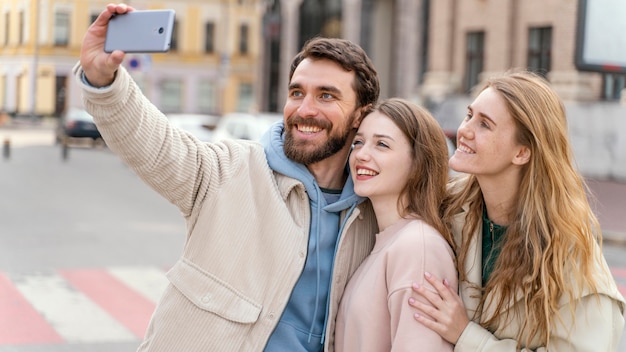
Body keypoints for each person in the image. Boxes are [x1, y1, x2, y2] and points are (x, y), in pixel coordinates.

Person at [75, 4, 381, 351]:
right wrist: (104, 82)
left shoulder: (375, 210)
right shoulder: (230, 169)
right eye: (297, 93)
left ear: (360, 115)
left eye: (326, 95)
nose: (304, 109)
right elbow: (155, 145)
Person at [408, 70, 626, 351]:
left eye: (485, 125)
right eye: (469, 115)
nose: (464, 130)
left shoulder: (568, 243)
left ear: (522, 152)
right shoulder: (447, 209)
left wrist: (466, 335)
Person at [333, 98, 458, 351]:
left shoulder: (417, 248)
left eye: (382, 144)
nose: (362, 155)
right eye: (358, 142)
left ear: (418, 162)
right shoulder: (387, 241)